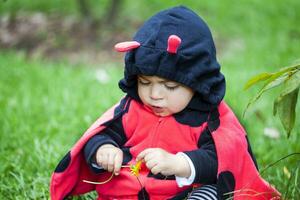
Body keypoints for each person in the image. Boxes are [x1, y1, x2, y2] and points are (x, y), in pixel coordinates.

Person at [50, 6, 280, 200]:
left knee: (214, 193)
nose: (154, 94)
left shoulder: (208, 119)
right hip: (132, 191)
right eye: (144, 82)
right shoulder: (132, 109)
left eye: (170, 86)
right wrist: (103, 149)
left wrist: (180, 163)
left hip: (185, 193)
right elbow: (101, 134)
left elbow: (222, 159)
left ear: (197, 83)